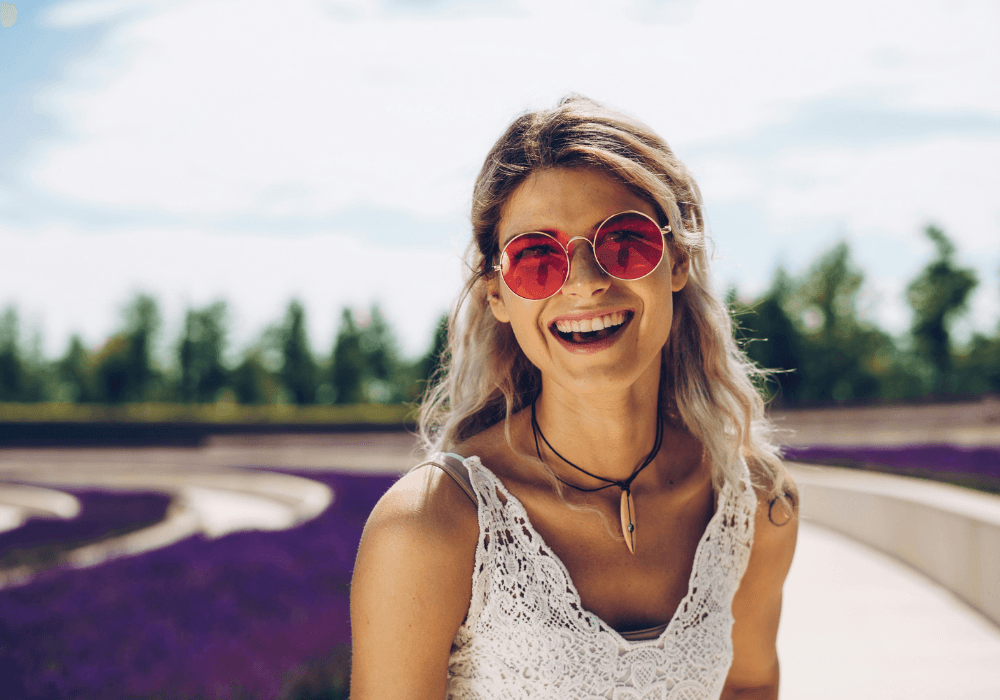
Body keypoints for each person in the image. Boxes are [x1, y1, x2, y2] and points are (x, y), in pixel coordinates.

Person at [350, 95, 798, 699]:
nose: (586, 283)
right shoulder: (431, 525)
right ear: (499, 295)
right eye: (538, 259)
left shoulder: (754, 507)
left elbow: (749, 685)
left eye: (626, 242)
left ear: (677, 261)